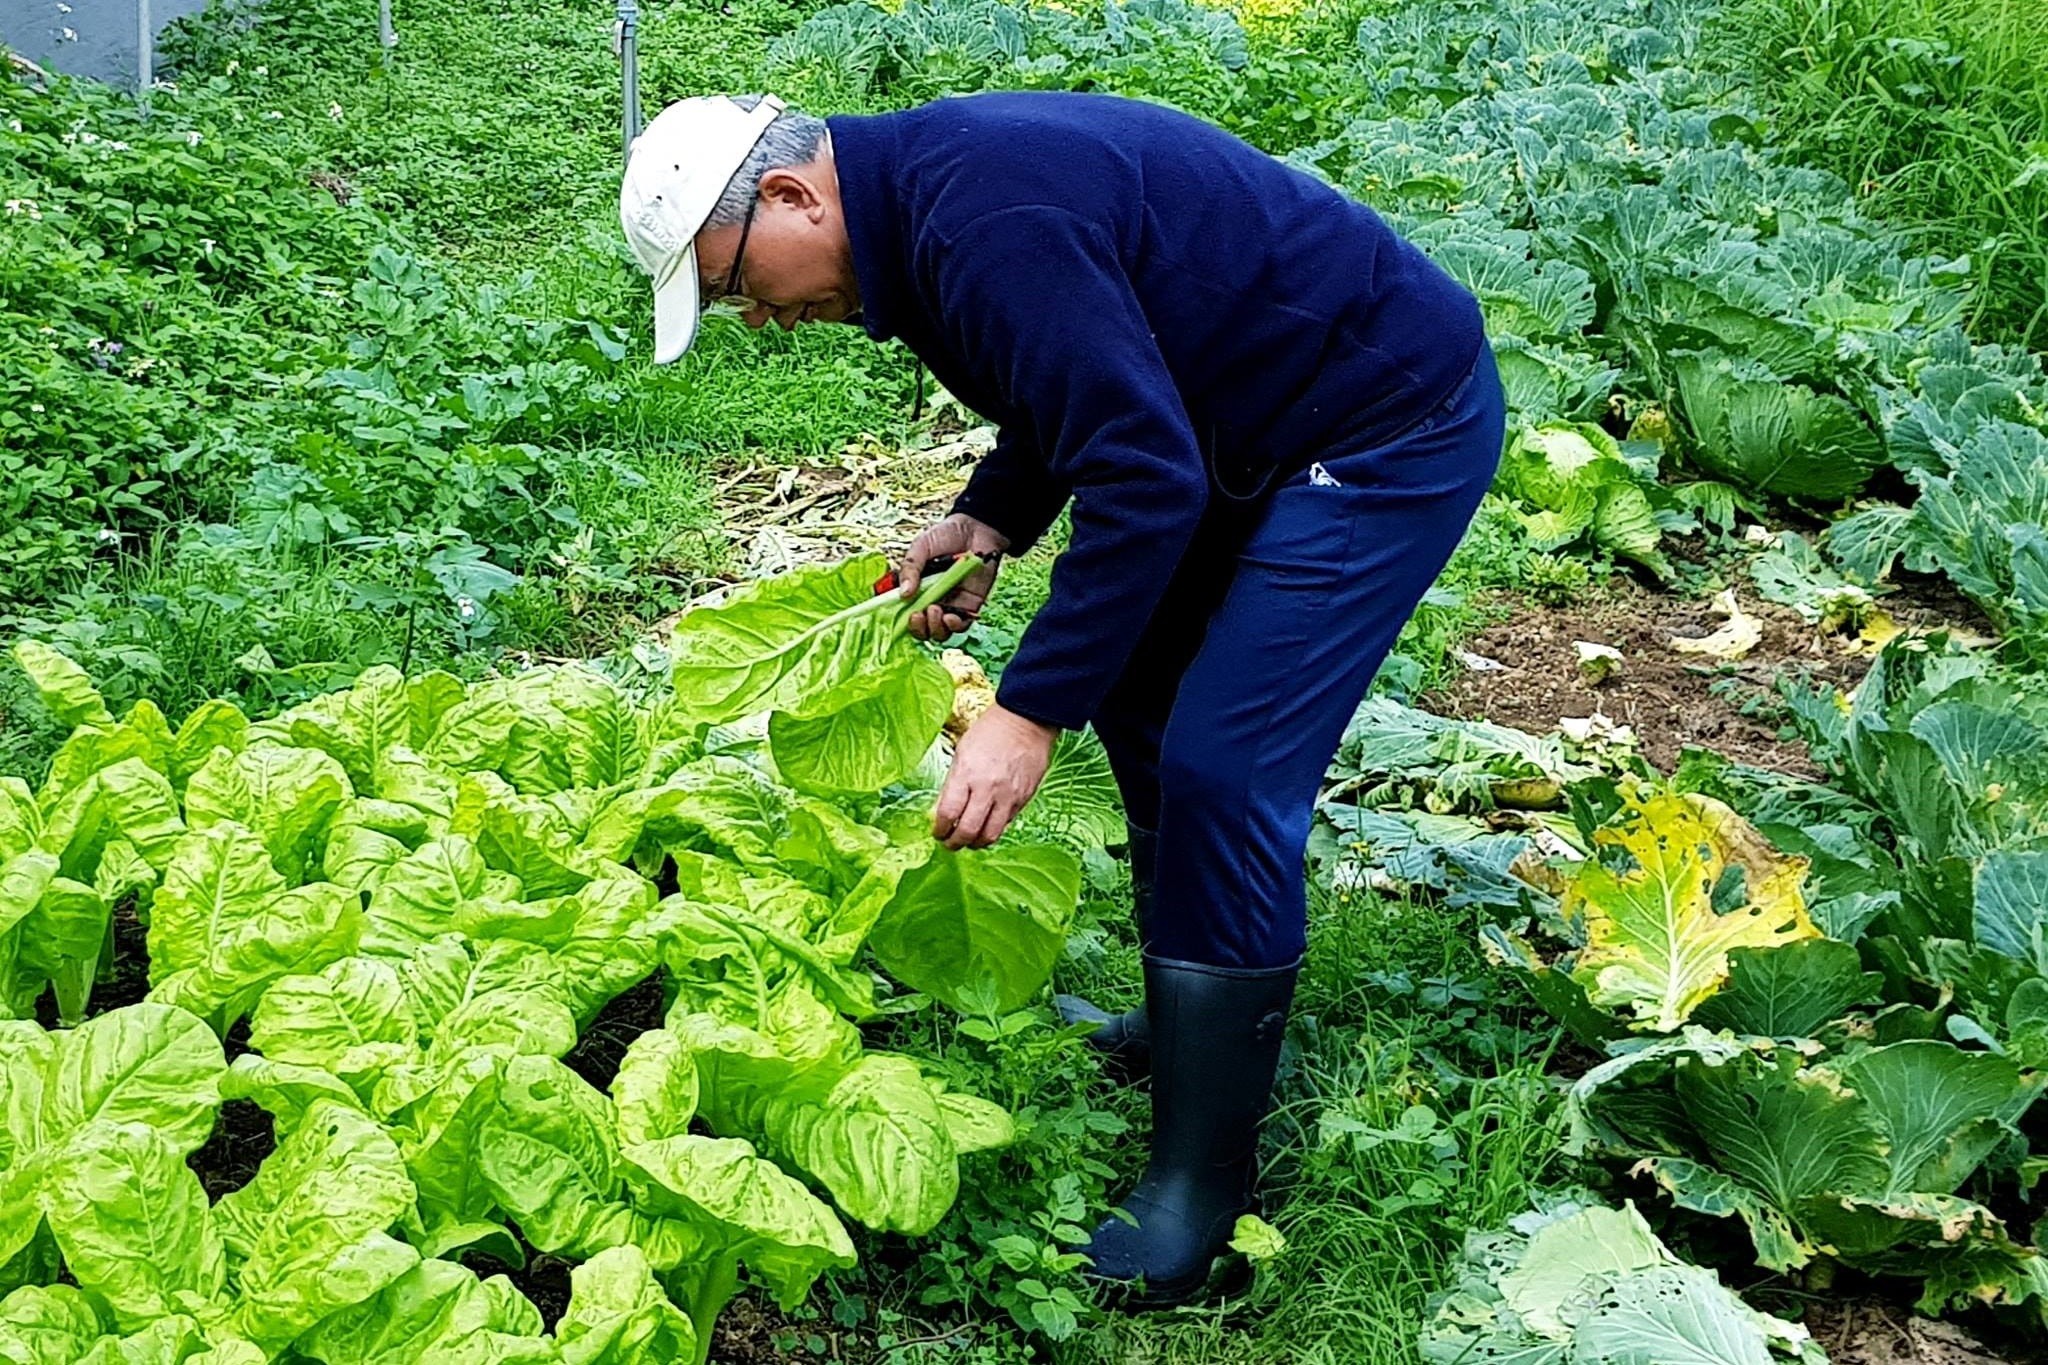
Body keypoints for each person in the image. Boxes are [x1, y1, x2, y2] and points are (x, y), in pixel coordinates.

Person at [619, 88, 1503, 1306]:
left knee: (1220, 764)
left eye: (734, 282)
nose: (757, 317)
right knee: (1144, 707)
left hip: (1376, 429)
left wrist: (1023, 714)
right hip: (1236, 428)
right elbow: (1078, 377)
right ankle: (1182, 1025)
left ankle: (1200, 1188)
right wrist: (995, 507)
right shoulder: (915, 218)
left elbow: (1140, 472)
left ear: (789, 196)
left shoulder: (979, 216)